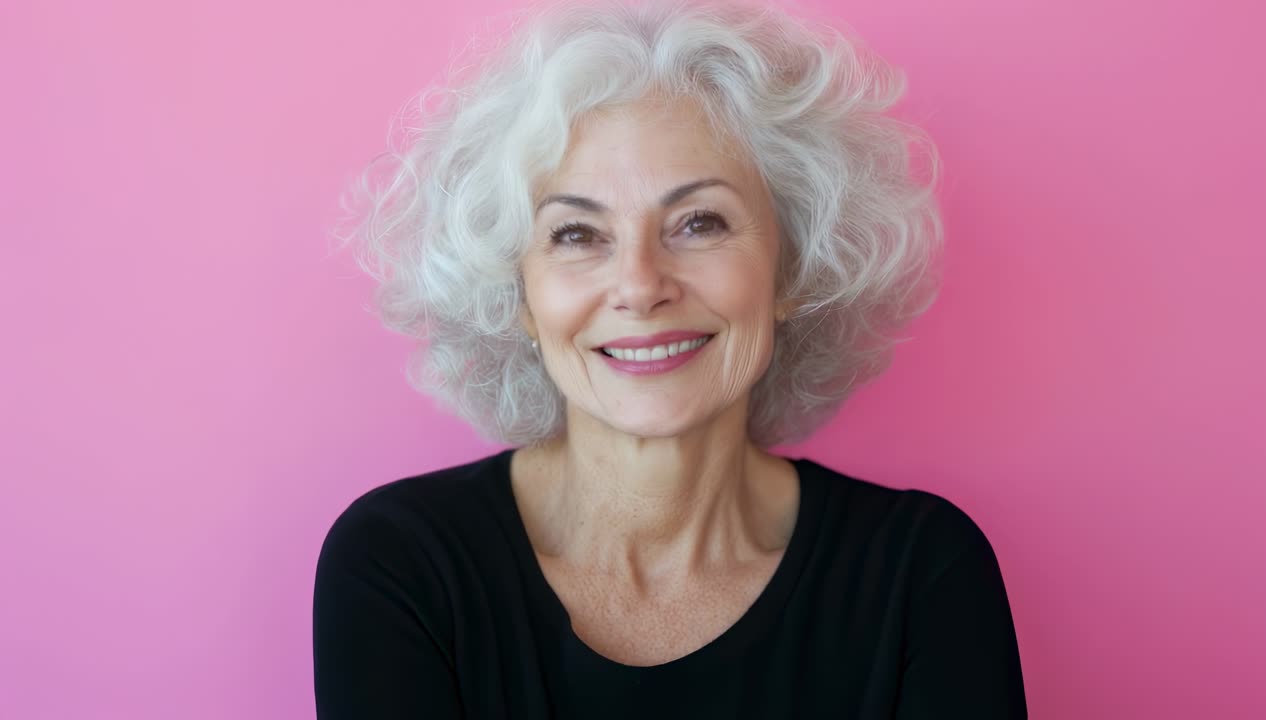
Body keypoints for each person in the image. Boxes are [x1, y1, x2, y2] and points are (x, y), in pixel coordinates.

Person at [314, 0, 1027, 717]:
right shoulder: (403, 565)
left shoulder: (920, 572)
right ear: (519, 296)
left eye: (699, 222)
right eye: (576, 234)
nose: (640, 285)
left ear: (791, 269)